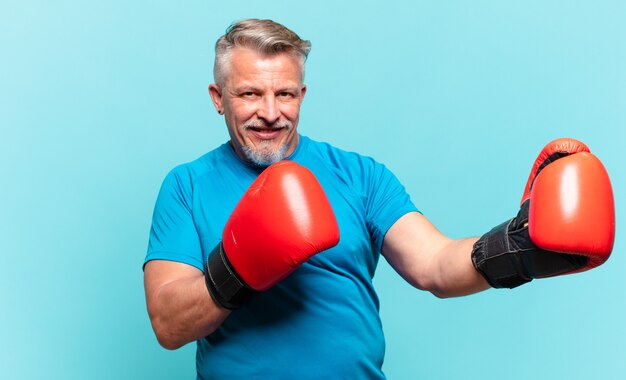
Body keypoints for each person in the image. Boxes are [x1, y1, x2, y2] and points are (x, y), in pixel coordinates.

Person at [143, 19, 615, 379]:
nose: (270, 113)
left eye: (284, 93)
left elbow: (433, 263)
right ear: (217, 97)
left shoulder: (359, 175)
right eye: (249, 93)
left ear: (302, 94)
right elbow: (168, 325)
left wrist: (517, 249)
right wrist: (240, 266)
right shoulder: (186, 185)